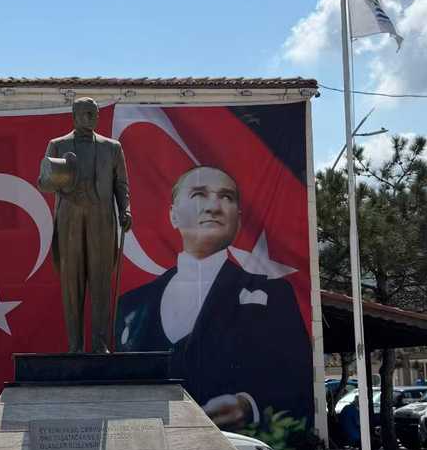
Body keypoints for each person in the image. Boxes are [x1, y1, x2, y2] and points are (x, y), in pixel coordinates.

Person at [116, 165, 312, 430]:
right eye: (199, 194)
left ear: (238, 219)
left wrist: (248, 406)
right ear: (173, 215)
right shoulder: (131, 306)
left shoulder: (274, 296)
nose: (214, 207)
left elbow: (298, 381)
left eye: (226, 197)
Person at [39, 98, 132, 353]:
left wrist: (125, 209)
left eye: (94, 113)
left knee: (101, 282)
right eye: (86, 113)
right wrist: (55, 176)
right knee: (72, 283)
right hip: (70, 219)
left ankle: (100, 345)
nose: (91, 117)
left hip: (101, 219)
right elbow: (43, 182)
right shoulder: (58, 145)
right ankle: (75, 346)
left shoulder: (112, 147)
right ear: (74, 115)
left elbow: (121, 184)